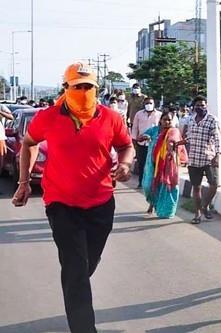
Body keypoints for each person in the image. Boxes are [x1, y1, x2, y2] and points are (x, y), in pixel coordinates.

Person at [11, 62, 134, 332]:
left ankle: (75, 279)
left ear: (96, 88)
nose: (83, 91)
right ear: (65, 88)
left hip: (101, 203)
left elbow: (126, 145)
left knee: (86, 264)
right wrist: (24, 181)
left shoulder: (111, 118)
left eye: (88, 86)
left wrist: (125, 164)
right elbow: (29, 143)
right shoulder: (48, 117)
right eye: (77, 86)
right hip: (61, 204)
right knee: (76, 270)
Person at [139, 111, 188, 217]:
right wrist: (145, 137)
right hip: (152, 163)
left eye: (169, 120)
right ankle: (153, 202)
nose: (167, 122)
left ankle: (165, 211)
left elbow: (174, 142)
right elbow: (140, 137)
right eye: (164, 119)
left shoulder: (173, 131)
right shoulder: (154, 130)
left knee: (166, 185)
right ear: (160, 120)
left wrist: (171, 146)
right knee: (148, 186)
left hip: (168, 163)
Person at [185, 95, 221, 224]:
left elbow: (217, 138)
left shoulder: (212, 120)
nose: (200, 107)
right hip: (193, 159)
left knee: (214, 184)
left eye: (202, 105)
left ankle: (205, 205)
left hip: (208, 158)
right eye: (198, 105)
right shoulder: (190, 120)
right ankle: (197, 214)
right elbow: (188, 137)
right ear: (194, 107)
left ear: (206, 105)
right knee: (196, 187)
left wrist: (217, 155)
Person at [131, 97, 162, 188]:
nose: (149, 105)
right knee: (141, 163)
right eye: (147, 103)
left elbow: (160, 129)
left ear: (154, 104)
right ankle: (141, 182)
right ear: (144, 104)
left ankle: (153, 183)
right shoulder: (139, 114)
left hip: (154, 144)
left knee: (153, 163)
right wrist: (135, 140)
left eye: (150, 103)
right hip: (141, 143)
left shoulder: (159, 115)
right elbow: (135, 128)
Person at [0, 104, 14, 170]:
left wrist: (0, 112)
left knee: (1, 158)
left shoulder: (1, 106)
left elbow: (11, 117)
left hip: (0, 138)